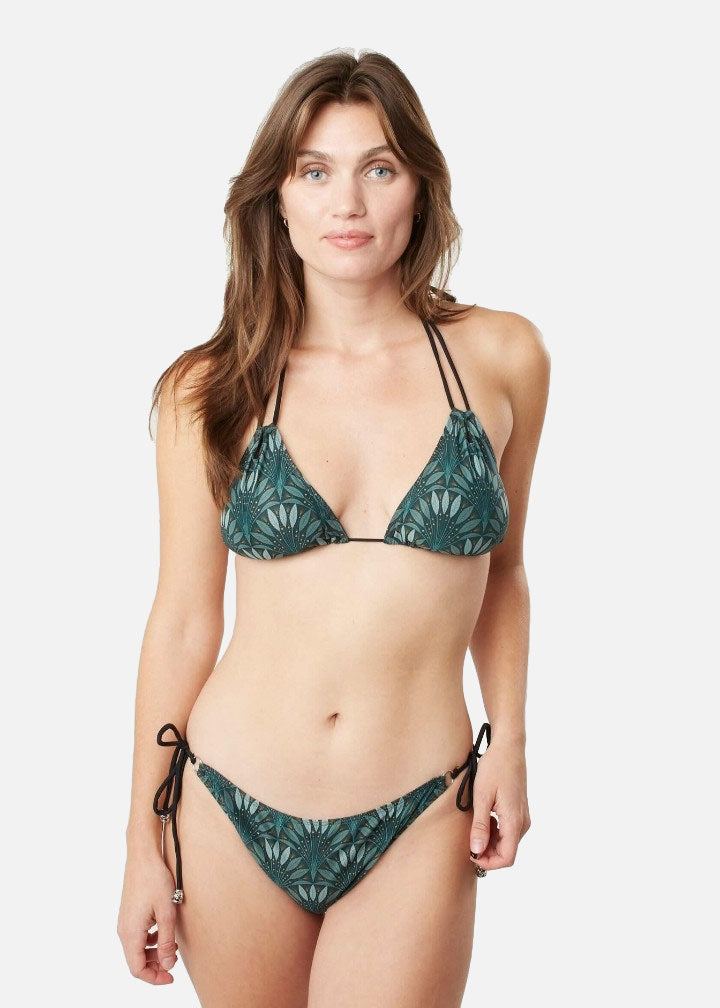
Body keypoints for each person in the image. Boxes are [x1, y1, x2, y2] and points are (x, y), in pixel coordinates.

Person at [117, 49, 550, 1008]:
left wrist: (510, 744)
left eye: (378, 168)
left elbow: (507, 572)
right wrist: (142, 841)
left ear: (420, 188)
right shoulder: (210, 388)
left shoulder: (502, 355)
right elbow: (183, 620)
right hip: (228, 803)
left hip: (419, 808)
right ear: (277, 199)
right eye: (314, 171)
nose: (346, 202)